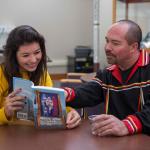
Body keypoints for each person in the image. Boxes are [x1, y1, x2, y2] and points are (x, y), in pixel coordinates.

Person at [64, 20, 150, 136]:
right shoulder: (107, 74)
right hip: (118, 143)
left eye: (115, 43)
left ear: (133, 47)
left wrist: (125, 125)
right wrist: (63, 94)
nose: (107, 47)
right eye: (107, 41)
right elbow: (87, 93)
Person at [0, 25, 81, 129]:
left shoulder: (42, 72)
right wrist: (5, 112)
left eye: (37, 52)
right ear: (13, 56)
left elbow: (50, 105)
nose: (33, 60)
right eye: (25, 55)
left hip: (36, 134)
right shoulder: (2, 73)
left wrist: (70, 112)